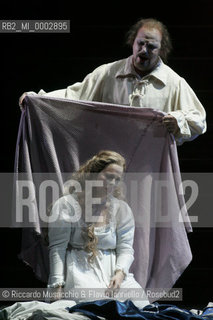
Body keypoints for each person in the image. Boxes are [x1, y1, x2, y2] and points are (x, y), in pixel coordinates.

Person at [19, 18, 206, 145]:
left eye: (151, 46)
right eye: (140, 43)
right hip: (109, 161)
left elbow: (199, 119)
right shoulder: (109, 73)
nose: (144, 50)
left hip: (150, 165)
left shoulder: (173, 82)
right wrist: (37, 99)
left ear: (161, 50)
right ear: (132, 42)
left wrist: (178, 121)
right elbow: (73, 95)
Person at [47, 150, 150, 309]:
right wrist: (57, 284)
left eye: (117, 179)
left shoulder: (121, 209)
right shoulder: (66, 205)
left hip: (112, 272)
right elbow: (57, 248)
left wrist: (120, 273)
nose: (113, 183)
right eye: (109, 177)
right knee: (95, 308)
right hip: (80, 270)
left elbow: (126, 248)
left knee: (140, 304)